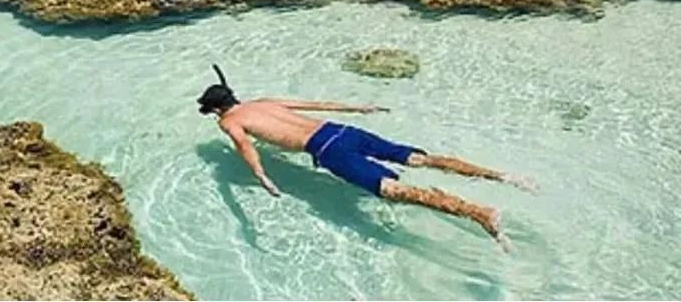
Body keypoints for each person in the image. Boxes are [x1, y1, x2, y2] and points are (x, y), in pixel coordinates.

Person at [197, 65, 532, 246]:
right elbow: (316, 105)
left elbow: (246, 147)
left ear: (215, 109)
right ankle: (503, 176)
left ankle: (479, 213)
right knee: (418, 158)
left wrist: (261, 176)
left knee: (393, 191)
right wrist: (359, 107)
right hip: (342, 130)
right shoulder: (263, 101)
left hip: (328, 150)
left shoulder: (229, 120)